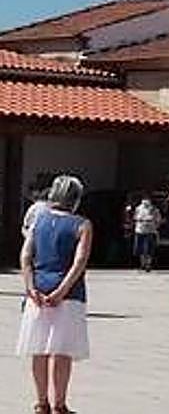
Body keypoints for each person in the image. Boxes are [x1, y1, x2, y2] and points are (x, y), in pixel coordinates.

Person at [16, 175, 94, 414]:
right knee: (61, 351)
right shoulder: (82, 225)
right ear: (75, 199)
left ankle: (41, 402)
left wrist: (30, 286)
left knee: (39, 349)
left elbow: (26, 256)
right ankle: (59, 403)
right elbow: (79, 261)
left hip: (38, 289)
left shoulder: (39, 220)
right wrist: (62, 291)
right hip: (68, 295)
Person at [132, 194, 162, 272]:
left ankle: (148, 264)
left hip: (150, 230)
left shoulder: (154, 209)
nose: (146, 202)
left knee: (149, 249)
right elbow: (135, 217)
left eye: (147, 200)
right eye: (144, 200)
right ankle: (143, 264)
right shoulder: (138, 208)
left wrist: (155, 226)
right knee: (140, 248)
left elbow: (158, 219)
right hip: (140, 230)